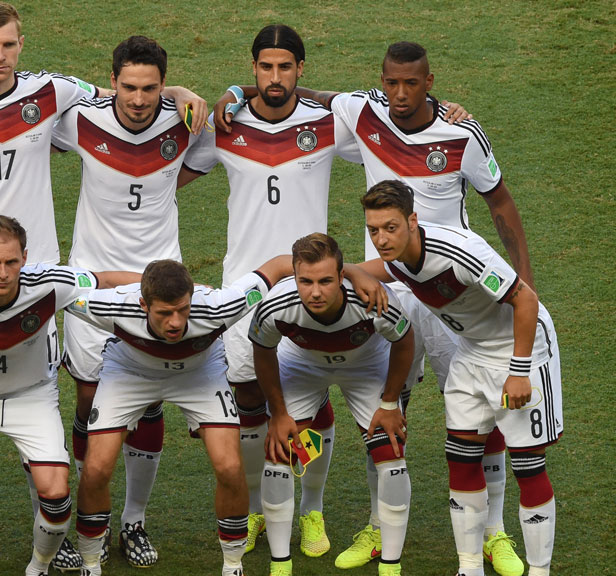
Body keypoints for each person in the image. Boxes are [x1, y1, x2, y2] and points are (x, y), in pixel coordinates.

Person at [0, 5, 205, 568]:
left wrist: (183, 88)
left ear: (22, 43)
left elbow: (128, 96)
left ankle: (57, 527)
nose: (0, 55)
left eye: (9, 44)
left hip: (34, 266)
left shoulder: (53, 92)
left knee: (39, 391)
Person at [216, 40, 524, 573]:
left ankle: (494, 532)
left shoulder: (460, 132)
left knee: (484, 406)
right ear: (381, 81)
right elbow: (294, 90)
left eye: (412, 83)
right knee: (386, 415)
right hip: (384, 288)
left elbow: (499, 200)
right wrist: (236, 90)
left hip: (454, 295)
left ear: (430, 81)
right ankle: (379, 528)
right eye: (391, 83)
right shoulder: (364, 111)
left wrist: (523, 281)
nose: (400, 94)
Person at [187, 24, 363, 558]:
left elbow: (392, 126)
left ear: (301, 71)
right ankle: (265, 508)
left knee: (312, 406)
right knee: (248, 399)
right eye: (265, 67)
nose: (275, 77)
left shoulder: (328, 125)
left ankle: (311, 508)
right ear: (253, 68)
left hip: (312, 288)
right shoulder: (225, 125)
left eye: (285, 67)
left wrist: (444, 108)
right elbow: (164, 176)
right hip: (246, 288)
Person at [66, 254, 338, 576]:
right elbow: (49, 287)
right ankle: (90, 564)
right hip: (130, 373)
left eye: (183, 309)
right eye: (165, 313)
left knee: (229, 466)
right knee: (96, 469)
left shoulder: (220, 305)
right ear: (142, 305)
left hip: (198, 375)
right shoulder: (109, 305)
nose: (176, 322)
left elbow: (280, 265)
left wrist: (356, 276)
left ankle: (233, 565)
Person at [51, 34, 212, 567]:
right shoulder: (80, 121)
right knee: (88, 396)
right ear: (112, 80)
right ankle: (82, 515)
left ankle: (134, 520)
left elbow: (199, 162)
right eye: (128, 87)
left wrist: (163, 184)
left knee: (147, 400)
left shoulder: (186, 122)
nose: (139, 99)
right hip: (92, 284)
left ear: (164, 85)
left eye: (150, 88)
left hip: (160, 289)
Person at [0, 215, 140, 576]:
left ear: (26, 258)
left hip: (31, 396)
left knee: (55, 493)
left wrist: (170, 287)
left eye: (11, 262)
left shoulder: (50, 283)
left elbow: (108, 279)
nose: (2, 272)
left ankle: (38, 567)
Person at [358, 180, 561, 576]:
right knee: (461, 457)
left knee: (527, 464)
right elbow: (371, 268)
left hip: (522, 347)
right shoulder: (398, 256)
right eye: (373, 230)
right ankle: (469, 568)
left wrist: (519, 371)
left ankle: (540, 571)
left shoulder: (459, 251)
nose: (381, 239)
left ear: (412, 221)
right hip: (471, 351)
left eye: (390, 228)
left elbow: (526, 299)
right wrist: (355, 273)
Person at [249, 233, 415, 576]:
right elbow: (263, 353)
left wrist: (388, 403)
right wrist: (279, 413)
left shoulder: (374, 300)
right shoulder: (275, 305)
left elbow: (404, 342)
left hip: (365, 366)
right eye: (305, 281)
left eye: (326, 281)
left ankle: (391, 566)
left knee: (389, 451)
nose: (315, 291)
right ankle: (280, 564)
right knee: (281, 452)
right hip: (302, 365)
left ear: (342, 276)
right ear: (293, 277)